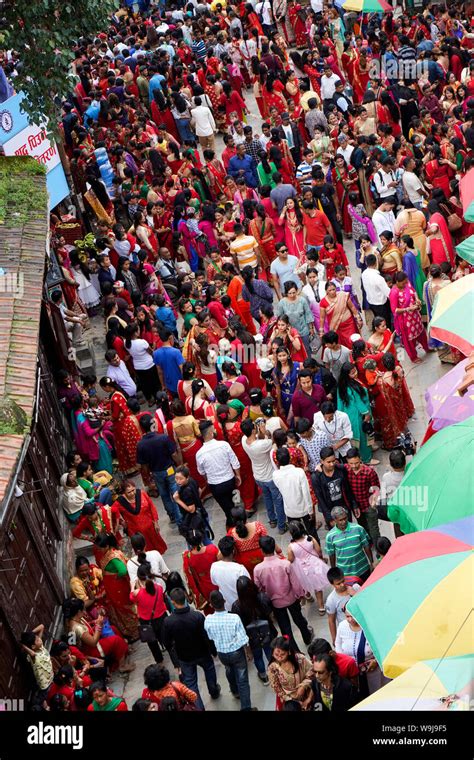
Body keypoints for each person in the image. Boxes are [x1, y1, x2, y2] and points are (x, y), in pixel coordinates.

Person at [162, 587, 221, 710]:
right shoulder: (197, 616)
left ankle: (199, 708)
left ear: (172, 602)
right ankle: (214, 690)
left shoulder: (169, 621)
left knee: (191, 684)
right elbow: (207, 637)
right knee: (210, 671)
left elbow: (167, 642)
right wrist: (213, 650)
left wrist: (175, 660)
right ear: (185, 598)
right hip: (202, 652)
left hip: (185, 657)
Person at [254, 536, 313, 652]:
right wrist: (300, 594)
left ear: (261, 550)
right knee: (299, 619)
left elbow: (259, 587)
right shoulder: (285, 564)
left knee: (285, 628)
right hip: (291, 598)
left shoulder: (258, 569)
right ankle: (307, 637)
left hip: (275, 603)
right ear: (274, 547)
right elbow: (295, 583)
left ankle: (295, 652)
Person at [204, 590, 256, 711]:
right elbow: (243, 638)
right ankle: (246, 708)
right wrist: (249, 652)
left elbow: (210, 637)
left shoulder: (208, 620)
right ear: (224, 601)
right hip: (237, 653)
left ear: (211, 604)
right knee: (242, 680)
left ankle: (234, 690)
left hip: (222, 653)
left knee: (229, 669)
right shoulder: (234, 618)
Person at [241, 417, 286, 532]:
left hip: (257, 476)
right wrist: (264, 431)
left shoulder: (243, 440)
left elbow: (258, 439)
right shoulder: (261, 445)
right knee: (278, 500)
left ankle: (272, 520)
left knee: (267, 498)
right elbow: (272, 441)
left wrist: (259, 432)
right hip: (269, 477)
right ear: (252, 431)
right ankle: (281, 526)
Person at [136, 415, 182, 526]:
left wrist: (148, 478)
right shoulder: (163, 438)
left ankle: (172, 516)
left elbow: (144, 465)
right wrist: (180, 465)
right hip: (170, 470)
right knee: (175, 492)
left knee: (164, 495)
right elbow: (174, 454)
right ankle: (180, 518)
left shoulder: (141, 445)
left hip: (156, 473)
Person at [231, 576, 277, 684]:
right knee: (269, 652)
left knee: (257, 656)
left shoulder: (237, 606)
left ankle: (263, 675)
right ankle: (274, 672)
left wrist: (246, 648)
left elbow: (239, 625)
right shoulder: (262, 597)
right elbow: (270, 612)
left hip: (251, 636)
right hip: (267, 631)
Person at [196, 419, 242, 527]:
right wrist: (238, 475)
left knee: (227, 509)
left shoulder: (199, 453)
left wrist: (207, 480)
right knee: (236, 503)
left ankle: (232, 525)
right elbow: (235, 462)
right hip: (230, 481)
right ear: (211, 432)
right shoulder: (224, 445)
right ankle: (239, 523)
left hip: (215, 486)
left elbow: (201, 472)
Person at [335, 605, 386, 697]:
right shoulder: (342, 626)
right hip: (351, 672)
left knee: (375, 694)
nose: (350, 619)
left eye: (353, 616)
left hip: (372, 670)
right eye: (347, 616)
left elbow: (383, 646)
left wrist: (376, 661)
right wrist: (344, 662)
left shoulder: (371, 625)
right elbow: (338, 644)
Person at [113, 479, 167, 555]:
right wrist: (121, 522)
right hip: (137, 534)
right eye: (129, 492)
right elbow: (112, 513)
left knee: (157, 551)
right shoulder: (119, 503)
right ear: (124, 493)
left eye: (133, 490)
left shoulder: (142, 493)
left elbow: (152, 507)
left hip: (151, 528)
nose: (132, 493)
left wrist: (155, 522)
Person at [373, 353, 415, 450]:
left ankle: (399, 439)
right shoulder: (399, 370)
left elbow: (384, 394)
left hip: (392, 403)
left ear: (383, 364)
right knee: (402, 416)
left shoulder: (384, 379)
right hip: (400, 399)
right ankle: (406, 436)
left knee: (394, 420)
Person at [337, 363, 376, 465]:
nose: (355, 374)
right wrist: (366, 413)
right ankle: (367, 458)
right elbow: (358, 402)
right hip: (357, 415)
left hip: (351, 414)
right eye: (352, 373)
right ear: (346, 375)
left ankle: (369, 449)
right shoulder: (350, 387)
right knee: (362, 436)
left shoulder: (343, 385)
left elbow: (340, 405)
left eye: (355, 371)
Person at [287, 521, 329, 615]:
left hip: (301, 569)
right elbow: (319, 550)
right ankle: (321, 607)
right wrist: (321, 558)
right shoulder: (310, 538)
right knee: (318, 586)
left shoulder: (291, 546)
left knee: (303, 584)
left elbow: (291, 559)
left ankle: (308, 597)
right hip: (314, 564)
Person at [130, 562, 169, 664]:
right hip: (161, 617)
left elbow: (131, 597)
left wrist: (132, 586)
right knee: (166, 638)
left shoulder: (137, 593)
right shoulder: (159, 588)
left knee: (152, 643)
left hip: (146, 621)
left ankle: (159, 661)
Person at [272, 447, 315, 537]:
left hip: (289, 510)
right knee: (312, 533)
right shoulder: (299, 472)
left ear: (277, 461)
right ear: (290, 458)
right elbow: (306, 493)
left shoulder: (275, 475)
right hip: (304, 509)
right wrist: (310, 510)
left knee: (296, 535)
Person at [312, 446, 358, 528]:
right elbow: (320, 499)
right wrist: (329, 518)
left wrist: (354, 505)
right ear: (322, 461)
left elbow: (348, 489)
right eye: (328, 462)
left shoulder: (341, 469)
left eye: (333, 461)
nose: (332, 464)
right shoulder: (316, 477)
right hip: (330, 510)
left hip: (344, 507)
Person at [390, 272, 430, 363]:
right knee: (409, 340)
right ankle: (413, 357)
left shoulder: (407, 284)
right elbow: (395, 310)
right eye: (403, 283)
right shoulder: (394, 292)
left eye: (406, 282)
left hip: (415, 316)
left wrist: (417, 300)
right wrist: (408, 309)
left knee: (421, 333)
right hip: (405, 320)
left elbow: (413, 292)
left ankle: (427, 347)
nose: (405, 284)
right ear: (397, 282)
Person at [326, 507, 373, 584]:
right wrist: (334, 572)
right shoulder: (330, 536)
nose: (344, 522)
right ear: (335, 520)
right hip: (345, 574)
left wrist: (371, 563)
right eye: (340, 520)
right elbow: (331, 555)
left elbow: (366, 545)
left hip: (363, 569)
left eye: (345, 518)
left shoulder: (358, 528)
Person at [345, 448, 380, 548]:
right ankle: (368, 543)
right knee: (362, 526)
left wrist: (373, 501)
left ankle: (379, 549)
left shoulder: (369, 472)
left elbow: (376, 488)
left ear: (360, 459)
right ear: (347, 461)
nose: (354, 466)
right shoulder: (346, 469)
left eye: (356, 463)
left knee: (374, 529)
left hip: (368, 505)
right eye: (351, 463)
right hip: (356, 507)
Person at [267, 635, 313, 711]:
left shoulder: (300, 659)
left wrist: (303, 686)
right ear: (272, 654)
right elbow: (277, 688)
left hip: (307, 694)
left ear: (288, 652)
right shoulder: (273, 668)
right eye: (276, 655)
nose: (279, 658)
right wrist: (291, 701)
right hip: (289, 701)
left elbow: (312, 672)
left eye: (282, 654)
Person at [182, 531, 219, 615]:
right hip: (218, 582)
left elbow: (190, 579)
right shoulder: (212, 549)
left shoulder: (188, 557)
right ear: (201, 538)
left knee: (210, 612)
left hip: (204, 588)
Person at [210, 535, 251, 610]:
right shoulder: (240, 569)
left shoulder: (214, 566)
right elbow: (248, 587)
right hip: (242, 607)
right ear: (233, 551)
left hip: (227, 606)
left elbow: (215, 583)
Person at [276, 281, 315, 358]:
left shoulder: (302, 300)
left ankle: (308, 365)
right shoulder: (282, 303)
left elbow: (308, 314)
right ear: (286, 293)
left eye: (294, 292)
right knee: (292, 350)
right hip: (290, 332)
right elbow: (279, 317)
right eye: (290, 293)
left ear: (297, 291)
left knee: (306, 348)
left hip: (303, 330)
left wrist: (311, 328)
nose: (292, 295)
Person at [319, 281, 362, 349]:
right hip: (336, 327)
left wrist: (358, 318)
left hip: (349, 324)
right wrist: (321, 331)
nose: (332, 292)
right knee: (341, 345)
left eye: (333, 289)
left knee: (352, 341)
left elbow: (352, 307)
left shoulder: (343, 295)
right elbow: (322, 318)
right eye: (330, 290)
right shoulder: (323, 302)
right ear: (326, 291)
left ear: (336, 289)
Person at [325, 567, 361, 646]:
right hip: (347, 632)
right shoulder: (331, 600)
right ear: (332, 584)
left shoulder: (355, 587)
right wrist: (334, 639)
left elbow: (366, 604)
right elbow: (331, 620)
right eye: (338, 584)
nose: (342, 585)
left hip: (361, 626)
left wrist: (355, 594)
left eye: (343, 581)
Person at [20, 624, 54, 706]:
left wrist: (31, 635)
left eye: (38, 638)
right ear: (33, 646)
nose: (39, 639)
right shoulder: (34, 656)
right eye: (37, 640)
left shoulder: (40, 646)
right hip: (45, 686)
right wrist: (23, 645)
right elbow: (32, 653)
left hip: (51, 678)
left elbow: (42, 626)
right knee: (40, 701)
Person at [360, 254, 392, 327]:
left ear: (366, 263)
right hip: (381, 303)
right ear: (376, 262)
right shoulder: (378, 278)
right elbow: (388, 293)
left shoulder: (364, 274)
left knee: (378, 321)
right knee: (385, 322)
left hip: (371, 302)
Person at [153, 328, 185, 397]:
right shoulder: (176, 352)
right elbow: (182, 369)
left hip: (169, 384)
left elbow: (160, 372)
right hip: (180, 384)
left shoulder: (156, 353)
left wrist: (163, 385)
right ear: (170, 338)